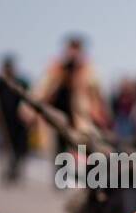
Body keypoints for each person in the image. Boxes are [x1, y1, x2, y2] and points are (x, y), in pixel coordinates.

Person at [33, 35, 109, 165]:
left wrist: (101, 113)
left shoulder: (88, 69)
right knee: (58, 148)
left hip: (81, 117)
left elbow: (97, 93)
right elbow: (42, 90)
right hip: (57, 115)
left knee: (83, 145)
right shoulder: (57, 68)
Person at [0, 55, 30, 183]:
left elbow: (29, 99)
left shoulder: (21, 82)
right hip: (5, 121)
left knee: (20, 147)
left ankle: (16, 170)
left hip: (20, 120)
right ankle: (8, 171)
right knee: (6, 147)